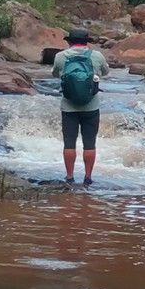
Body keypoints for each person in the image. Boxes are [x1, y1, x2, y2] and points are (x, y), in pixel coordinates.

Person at [50, 27, 110, 185]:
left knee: (69, 142)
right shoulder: (96, 56)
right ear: (86, 42)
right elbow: (106, 71)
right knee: (89, 143)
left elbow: (55, 74)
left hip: (68, 107)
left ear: (69, 41)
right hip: (92, 106)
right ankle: (88, 177)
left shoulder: (60, 57)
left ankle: (69, 177)